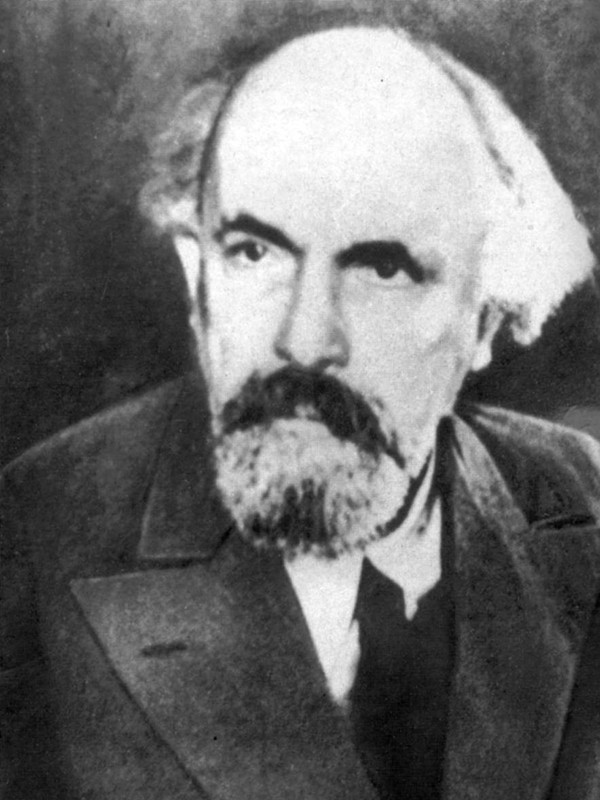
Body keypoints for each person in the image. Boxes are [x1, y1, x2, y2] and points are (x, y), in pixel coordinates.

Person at [2, 14, 600, 800]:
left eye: (382, 268)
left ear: (486, 319)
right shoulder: (36, 534)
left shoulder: (584, 508)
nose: (305, 339)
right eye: (255, 252)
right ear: (197, 281)